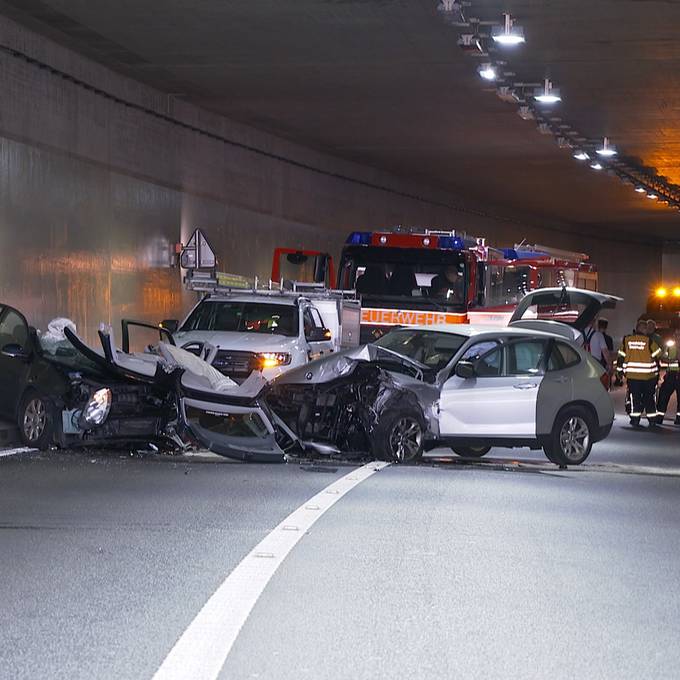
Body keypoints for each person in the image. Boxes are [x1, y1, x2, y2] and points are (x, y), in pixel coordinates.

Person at [617, 318, 662, 427]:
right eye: (646, 328)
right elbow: (658, 354)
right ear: (642, 329)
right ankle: (652, 420)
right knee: (649, 398)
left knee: (634, 397)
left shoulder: (626, 340)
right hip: (648, 376)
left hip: (632, 376)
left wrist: (619, 372)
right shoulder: (649, 341)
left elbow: (621, 357)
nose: (647, 330)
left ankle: (635, 419)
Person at [656, 327, 680, 425]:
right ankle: (659, 417)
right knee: (663, 395)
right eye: (676, 334)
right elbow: (663, 358)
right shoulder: (670, 346)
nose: (677, 336)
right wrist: (672, 360)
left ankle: (679, 419)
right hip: (671, 374)